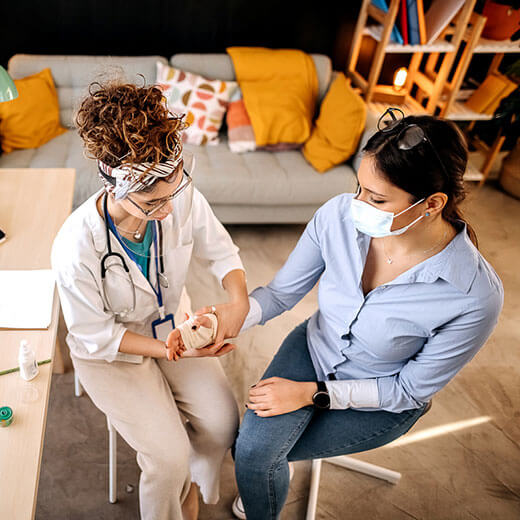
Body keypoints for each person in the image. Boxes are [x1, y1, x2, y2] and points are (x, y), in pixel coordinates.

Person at [230, 109, 504, 520]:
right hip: (314, 350)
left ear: (432, 204)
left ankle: (260, 490)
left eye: (375, 199)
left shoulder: (474, 296)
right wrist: (233, 317)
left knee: (254, 453)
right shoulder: (338, 217)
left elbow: (409, 389)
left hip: (381, 399)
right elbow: (281, 293)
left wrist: (311, 394)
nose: (355, 206)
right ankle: (262, 491)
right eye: (358, 188)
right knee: (252, 452)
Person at [51, 80, 250, 520]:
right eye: (151, 202)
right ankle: (173, 498)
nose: (167, 208)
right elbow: (94, 333)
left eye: (173, 193)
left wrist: (238, 302)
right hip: (110, 353)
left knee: (223, 425)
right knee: (166, 458)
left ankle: (193, 482)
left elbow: (221, 251)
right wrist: (165, 350)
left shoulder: (176, 196)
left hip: (171, 324)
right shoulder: (75, 247)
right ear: (114, 186)